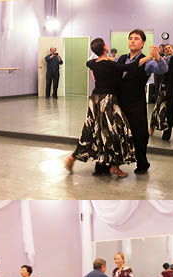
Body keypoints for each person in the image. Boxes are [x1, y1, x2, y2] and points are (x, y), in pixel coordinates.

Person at [64, 38, 153, 177]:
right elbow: (131, 66)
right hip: (108, 100)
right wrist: (150, 56)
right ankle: (114, 166)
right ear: (105, 47)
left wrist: (109, 59)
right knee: (116, 131)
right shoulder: (111, 65)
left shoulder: (94, 63)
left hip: (94, 100)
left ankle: (74, 157)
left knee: (91, 130)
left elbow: (89, 63)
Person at [116, 29, 168, 174]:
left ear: (143, 43)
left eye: (136, 38)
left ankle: (142, 163)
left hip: (136, 103)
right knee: (117, 132)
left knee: (139, 134)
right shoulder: (121, 59)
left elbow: (163, 70)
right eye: (130, 38)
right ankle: (114, 164)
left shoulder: (147, 62)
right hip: (119, 102)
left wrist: (158, 57)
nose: (132, 40)